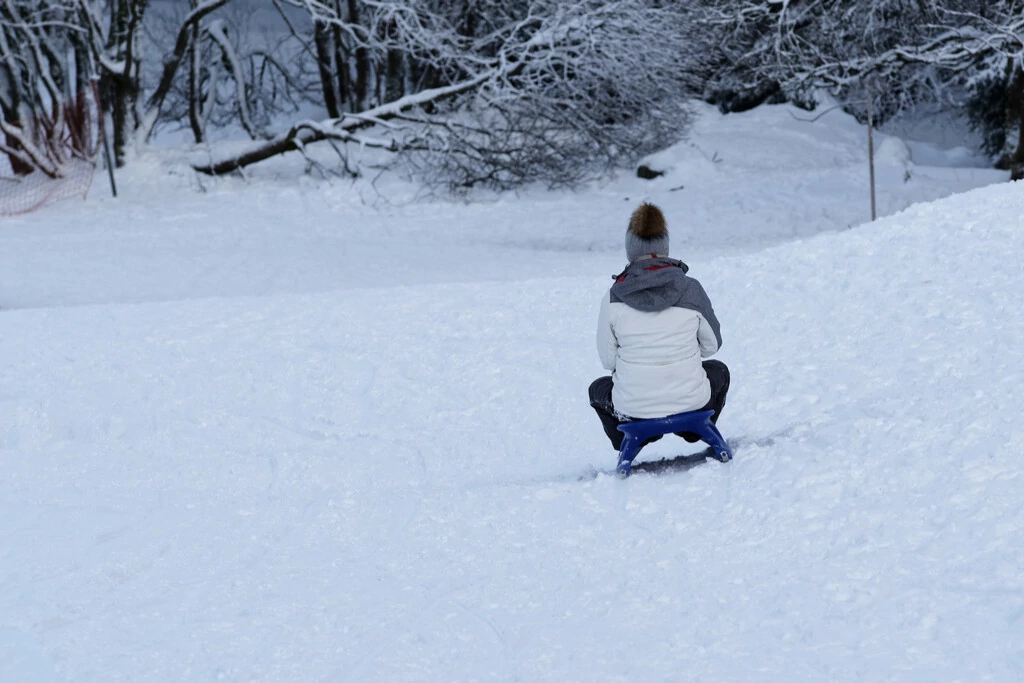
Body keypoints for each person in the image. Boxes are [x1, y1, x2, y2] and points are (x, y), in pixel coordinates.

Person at [589, 202, 730, 452]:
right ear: (665, 247)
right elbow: (712, 346)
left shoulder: (613, 298)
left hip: (635, 409)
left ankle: (632, 439)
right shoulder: (691, 289)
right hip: (692, 402)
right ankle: (694, 429)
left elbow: (608, 360)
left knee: (598, 389)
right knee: (718, 371)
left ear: (630, 250)